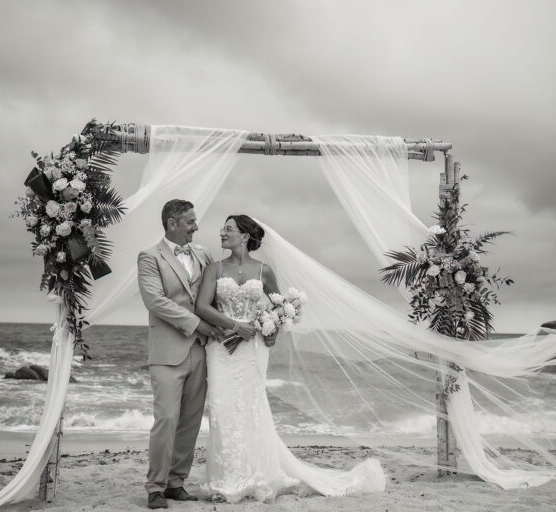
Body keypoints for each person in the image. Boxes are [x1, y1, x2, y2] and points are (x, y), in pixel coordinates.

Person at [195, 214, 386, 503]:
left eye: (229, 229)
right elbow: (201, 307)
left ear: (245, 237)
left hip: (253, 351)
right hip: (222, 348)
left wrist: (271, 332)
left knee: (252, 409)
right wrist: (235, 326)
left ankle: (257, 475)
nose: (222, 232)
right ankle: (226, 478)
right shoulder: (214, 268)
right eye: (223, 228)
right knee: (223, 410)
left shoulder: (264, 271)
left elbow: (279, 309)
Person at [137, 199, 224, 510]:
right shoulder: (149, 257)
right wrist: (198, 323)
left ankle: (176, 482)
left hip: (201, 351)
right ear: (172, 224)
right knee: (167, 419)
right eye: (190, 222)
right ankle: (155, 487)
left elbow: (216, 295)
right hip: (166, 352)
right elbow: (155, 301)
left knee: (190, 421)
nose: (196, 227)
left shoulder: (204, 255)